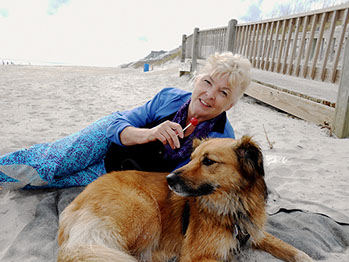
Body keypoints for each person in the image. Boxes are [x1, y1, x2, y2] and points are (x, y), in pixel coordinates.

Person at [0, 52, 251, 190]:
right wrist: (150, 133)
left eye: (223, 92)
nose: (210, 95)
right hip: (107, 141)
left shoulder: (221, 141)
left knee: (49, 181)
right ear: (196, 81)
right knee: (56, 161)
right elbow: (116, 125)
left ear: (230, 104)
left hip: (118, 171)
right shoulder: (169, 98)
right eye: (207, 82)